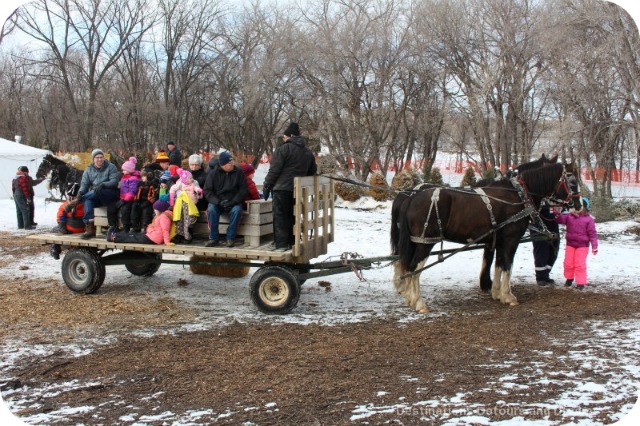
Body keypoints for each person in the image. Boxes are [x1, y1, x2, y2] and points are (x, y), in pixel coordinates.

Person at [262, 122, 317, 251]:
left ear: (290, 136)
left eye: (284, 137)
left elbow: (274, 170)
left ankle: (281, 244)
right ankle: (292, 241)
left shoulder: (283, 149)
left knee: (280, 216)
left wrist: (267, 185)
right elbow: (312, 172)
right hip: (298, 190)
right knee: (293, 215)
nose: (283, 139)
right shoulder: (307, 153)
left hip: (281, 188)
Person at [65, 149, 120, 239]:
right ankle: (90, 228)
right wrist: (80, 193)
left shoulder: (111, 167)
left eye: (101, 157)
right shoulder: (89, 170)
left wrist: (103, 184)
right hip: (95, 196)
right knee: (88, 201)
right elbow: (84, 184)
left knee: (97, 191)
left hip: (109, 195)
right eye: (97, 157)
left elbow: (114, 181)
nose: (99, 159)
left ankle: (76, 202)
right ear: (93, 159)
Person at [203, 151, 248, 248]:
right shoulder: (213, 174)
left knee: (237, 210)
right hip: (218, 202)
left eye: (232, 162)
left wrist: (234, 201)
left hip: (233, 201)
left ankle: (230, 238)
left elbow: (243, 190)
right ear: (223, 164)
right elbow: (207, 191)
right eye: (229, 163)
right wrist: (218, 202)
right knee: (211, 209)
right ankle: (213, 238)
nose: (232, 164)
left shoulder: (238, 172)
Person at [554, 197, 599, 290]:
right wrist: (556, 211)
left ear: (585, 208)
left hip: (582, 246)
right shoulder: (569, 216)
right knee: (568, 263)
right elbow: (559, 220)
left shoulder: (589, 220)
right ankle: (569, 279)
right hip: (570, 244)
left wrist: (594, 246)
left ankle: (580, 283)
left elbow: (592, 234)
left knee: (579, 264)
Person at [107, 200, 175, 246]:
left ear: (161, 209)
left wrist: (167, 242)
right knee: (134, 235)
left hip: (153, 239)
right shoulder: (160, 216)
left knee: (133, 238)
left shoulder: (164, 217)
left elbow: (165, 230)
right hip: (151, 236)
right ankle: (116, 236)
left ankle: (114, 237)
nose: (154, 211)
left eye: (155, 209)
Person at [169, 168, 203, 244]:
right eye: (190, 178)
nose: (192, 179)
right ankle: (180, 236)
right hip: (181, 205)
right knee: (180, 220)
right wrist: (171, 200)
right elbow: (172, 189)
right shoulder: (180, 184)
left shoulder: (193, 184)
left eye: (192, 178)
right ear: (184, 179)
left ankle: (187, 236)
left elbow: (197, 189)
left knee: (188, 221)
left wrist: (199, 191)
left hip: (190, 205)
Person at [532, 201, 560, 286]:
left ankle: (546, 274)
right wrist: (550, 208)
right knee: (541, 251)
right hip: (539, 227)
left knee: (554, 250)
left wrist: (557, 209)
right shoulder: (538, 196)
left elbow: (561, 210)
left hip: (553, 226)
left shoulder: (555, 197)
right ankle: (540, 277)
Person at [117, 156, 141, 232]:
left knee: (126, 211)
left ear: (129, 170)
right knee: (123, 211)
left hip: (130, 199)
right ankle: (124, 226)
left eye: (124, 170)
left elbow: (132, 191)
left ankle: (127, 227)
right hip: (124, 198)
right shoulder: (124, 177)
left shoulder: (133, 179)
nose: (122, 171)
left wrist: (125, 200)